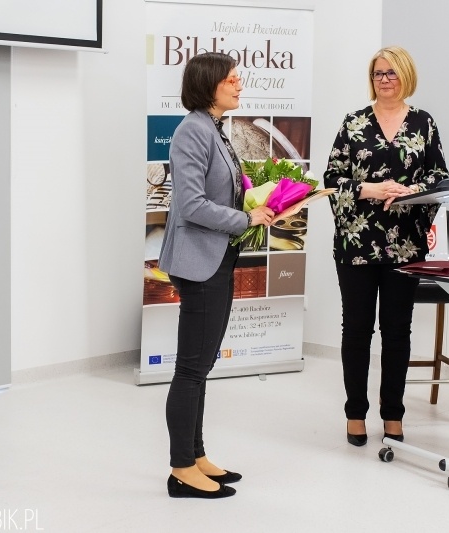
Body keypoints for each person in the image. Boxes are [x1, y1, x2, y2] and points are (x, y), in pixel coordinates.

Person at [158, 52, 274, 499]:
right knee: (190, 369)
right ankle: (181, 469)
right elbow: (190, 205)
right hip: (199, 262)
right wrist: (247, 220)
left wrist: (262, 207)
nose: (240, 85)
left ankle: (197, 454)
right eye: (232, 79)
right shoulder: (192, 130)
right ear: (210, 85)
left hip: (217, 256)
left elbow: (219, 193)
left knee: (201, 366)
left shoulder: (214, 130)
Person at [323, 46, 449, 446]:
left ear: (406, 76)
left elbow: (440, 179)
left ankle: (393, 413)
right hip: (357, 243)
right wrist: (368, 188)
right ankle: (355, 413)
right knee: (357, 330)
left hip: (405, 245)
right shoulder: (353, 122)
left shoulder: (423, 123)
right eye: (378, 73)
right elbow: (331, 179)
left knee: (397, 331)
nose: (385, 79)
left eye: (392, 73)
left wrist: (412, 190)